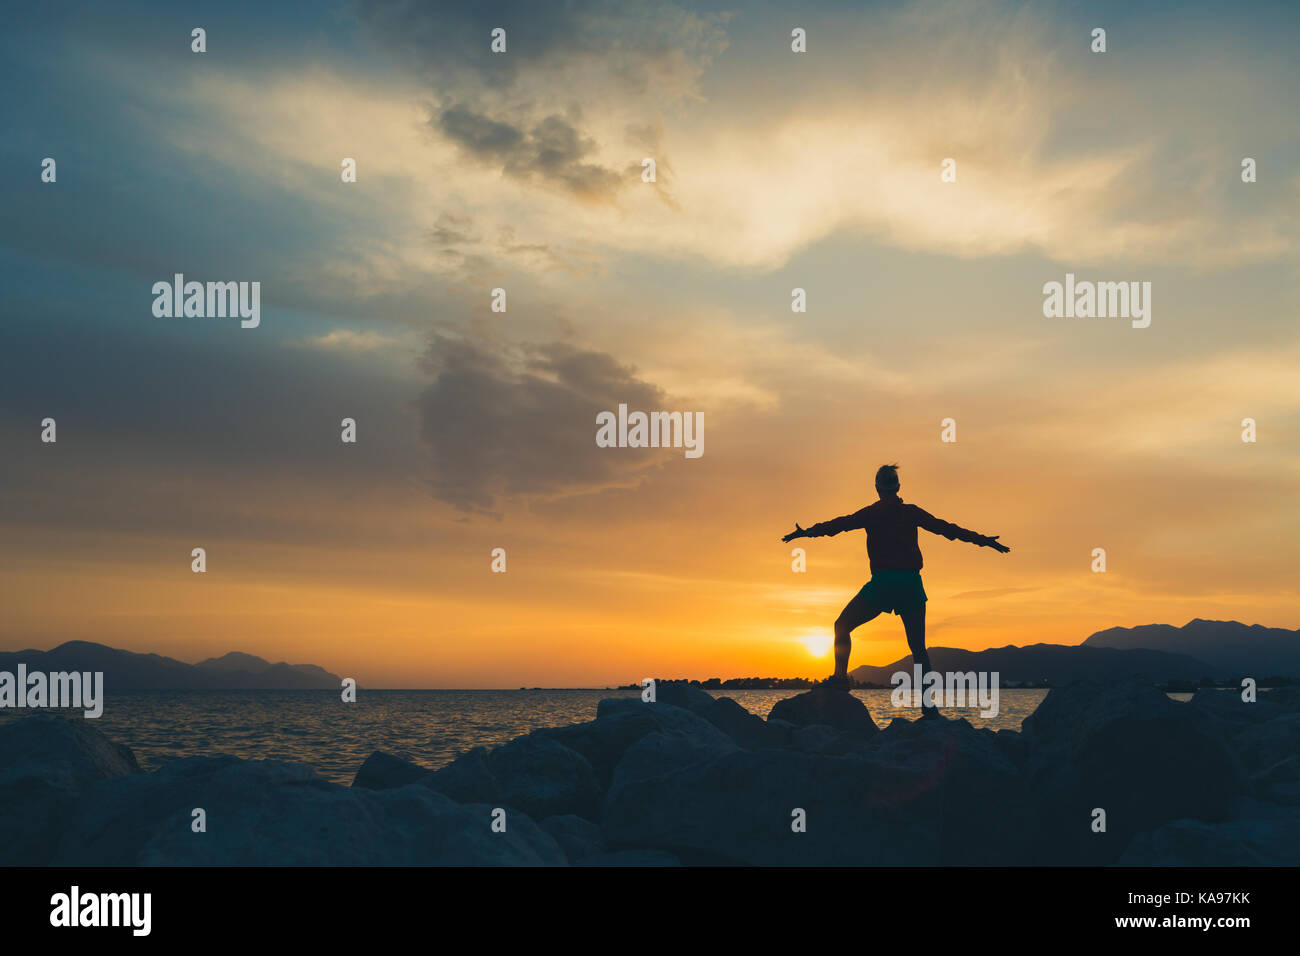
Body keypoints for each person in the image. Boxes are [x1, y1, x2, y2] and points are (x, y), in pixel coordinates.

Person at [782, 464, 1010, 716]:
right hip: (911, 584)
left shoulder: (871, 513)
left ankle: (840, 679)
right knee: (918, 649)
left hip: (883, 584)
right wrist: (984, 540)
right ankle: (928, 706)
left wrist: (808, 533)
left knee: (842, 626)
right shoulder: (911, 513)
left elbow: (840, 525)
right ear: (898, 488)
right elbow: (947, 529)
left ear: (877, 489)